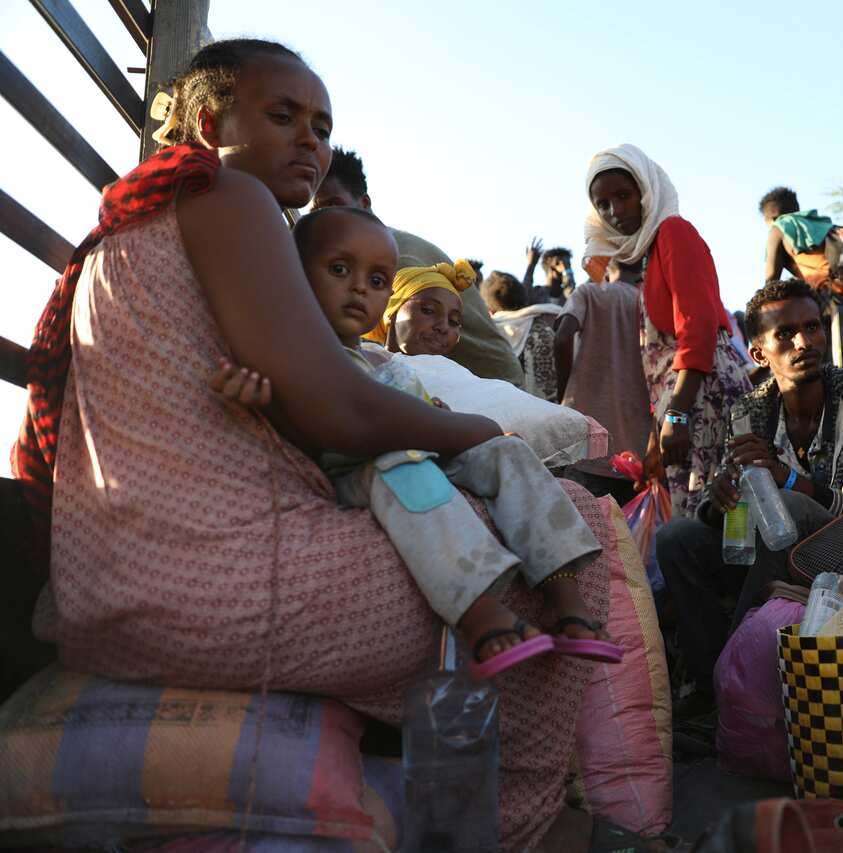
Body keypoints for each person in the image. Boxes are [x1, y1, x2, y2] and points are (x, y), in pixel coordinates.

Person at [12, 39, 628, 851]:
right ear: (206, 122)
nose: (310, 139)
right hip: (206, 584)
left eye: (323, 125)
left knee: (479, 512)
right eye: (282, 116)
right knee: (551, 552)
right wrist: (475, 432)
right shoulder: (228, 197)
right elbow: (338, 409)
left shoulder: (153, 218)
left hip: (110, 587)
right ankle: (524, 827)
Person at [210, 209, 616, 677]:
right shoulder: (292, 347)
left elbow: (423, 409)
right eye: (340, 270)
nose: (360, 287)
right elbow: (289, 409)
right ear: (295, 275)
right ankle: (479, 612)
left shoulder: (383, 360)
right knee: (404, 465)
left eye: (377, 279)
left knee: (508, 451)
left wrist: (441, 417)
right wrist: (250, 391)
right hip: (358, 465)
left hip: (424, 448)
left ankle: (567, 600)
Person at [656, 279, 843, 716]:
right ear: (759, 353)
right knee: (676, 539)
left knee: (785, 507)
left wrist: (786, 479)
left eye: (812, 328)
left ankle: (730, 689)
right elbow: (726, 507)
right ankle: (710, 682)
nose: (804, 341)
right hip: (777, 553)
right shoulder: (749, 411)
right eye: (786, 334)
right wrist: (719, 499)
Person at [585, 144, 752, 517]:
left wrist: (676, 416)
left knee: (721, 511)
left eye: (624, 196)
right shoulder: (645, 255)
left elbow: (697, 326)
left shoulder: (673, 232)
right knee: (698, 511)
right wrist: (656, 438)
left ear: (646, 190)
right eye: (603, 204)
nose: (615, 211)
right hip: (682, 400)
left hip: (704, 393)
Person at [311, 147, 526, 386]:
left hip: (490, 387)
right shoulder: (379, 251)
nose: (325, 217)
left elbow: (390, 354)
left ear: (364, 203)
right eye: (316, 210)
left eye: (333, 204)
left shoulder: (391, 259)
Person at [554, 258, 651, 457]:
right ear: (641, 270)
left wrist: (564, 392)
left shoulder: (589, 292)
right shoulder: (650, 304)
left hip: (585, 436)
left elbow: (562, 338)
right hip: (638, 448)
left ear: (605, 265)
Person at [759, 185, 843, 294]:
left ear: (772, 218)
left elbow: (771, 282)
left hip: (835, 303)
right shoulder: (821, 225)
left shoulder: (778, 228)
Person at [480, 269, 563, 402]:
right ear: (524, 299)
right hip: (556, 408)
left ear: (489, 309)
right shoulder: (553, 320)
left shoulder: (486, 334)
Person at [521, 238, 576, 305]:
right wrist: (531, 265)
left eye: (568, 264)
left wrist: (567, 271)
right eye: (558, 262)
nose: (564, 266)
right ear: (549, 266)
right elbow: (522, 296)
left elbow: (571, 295)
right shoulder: (537, 293)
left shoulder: (568, 296)